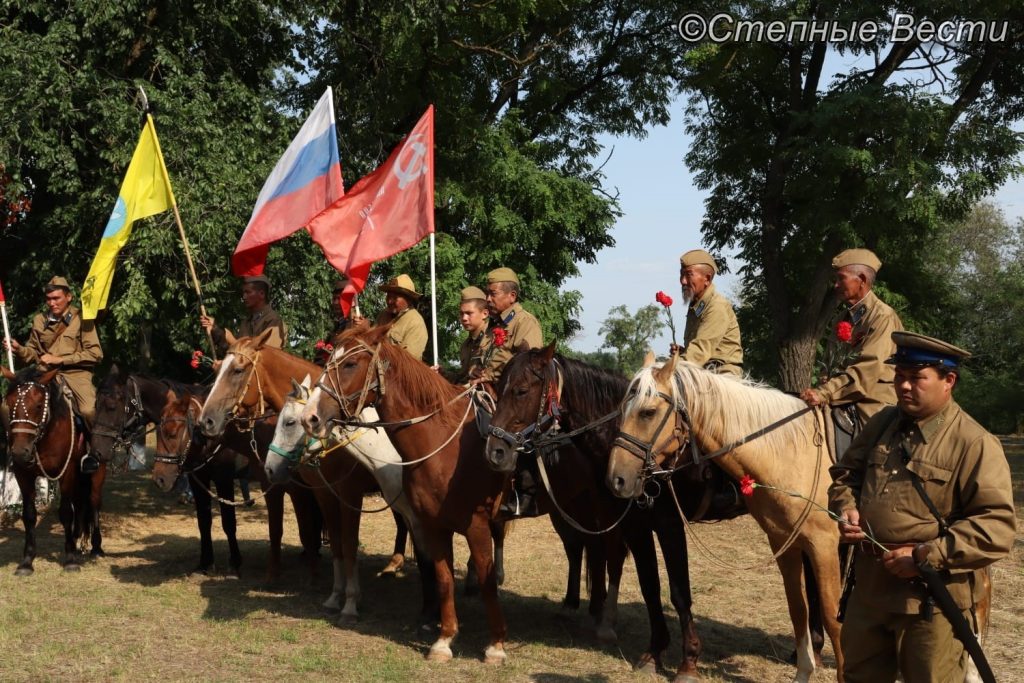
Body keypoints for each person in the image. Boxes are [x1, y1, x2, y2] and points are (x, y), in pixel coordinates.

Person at [828, 331, 1016, 682]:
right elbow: (845, 475)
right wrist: (846, 507)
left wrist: (925, 556)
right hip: (869, 592)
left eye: (916, 378)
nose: (903, 386)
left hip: (930, 603)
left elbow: (997, 528)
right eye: (899, 376)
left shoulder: (974, 443)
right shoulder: (883, 423)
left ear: (949, 381)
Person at [800, 248, 903, 455]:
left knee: (870, 452)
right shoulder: (842, 319)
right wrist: (820, 387)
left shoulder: (882, 317)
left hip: (873, 399)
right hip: (841, 394)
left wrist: (826, 393)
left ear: (862, 279)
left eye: (841, 279)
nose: (835, 285)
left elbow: (868, 370)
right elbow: (828, 364)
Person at [2, 276, 104, 473]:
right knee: (9, 404)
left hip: (76, 374)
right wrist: (19, 349)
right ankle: (17, 449)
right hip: (44, 373)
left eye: (56, 298)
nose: (52, 302)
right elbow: (32, 352)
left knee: (89, 410)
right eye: (49, 298)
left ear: (69, 297)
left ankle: (94, 453)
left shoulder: (83, 318)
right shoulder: (39, 320)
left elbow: (95, 354)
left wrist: (61, 360)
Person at [484, 267, 544, 518]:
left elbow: (531, 364)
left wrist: (493, 376)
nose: (488, 298)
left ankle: (525, 494)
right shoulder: (493, 325)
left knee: (521, 432)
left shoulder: (524, 322)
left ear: (512, 296)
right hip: (489, 390)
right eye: (487, 293)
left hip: (516, 397)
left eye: (493, 293)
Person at [675, 249, 743, 375]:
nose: (683, 281)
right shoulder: (696, 305)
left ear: (706, 278)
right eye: (681, 274)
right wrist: (684, 353)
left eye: (689, 275)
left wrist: (669, 369)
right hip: (703, 373)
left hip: (723, 375)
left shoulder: (716, 306)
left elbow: (700, 351)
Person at [200, 275, 287, 358]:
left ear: (261, 294)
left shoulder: (273, 321)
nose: (244, 297)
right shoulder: (246, 322)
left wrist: (233, 341)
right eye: (243, 293)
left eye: (248, 292)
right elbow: (233, 355)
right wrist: (216, 330)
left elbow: (264, 358)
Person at [353, 274, 428, 362]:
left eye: (395, 298)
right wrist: (365, 330)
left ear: (409, 299)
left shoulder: (415, 322)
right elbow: (370, 346)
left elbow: (407, 362)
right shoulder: (383, 315)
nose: (389, 301)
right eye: (388, 296)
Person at [453, 286, 491, 384]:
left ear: (485, 314)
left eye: (469, 313)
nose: (464, 318)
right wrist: (444, 374)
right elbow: (463, 378)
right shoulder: (466, 345)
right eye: (461, 313)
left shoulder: (493, 339)